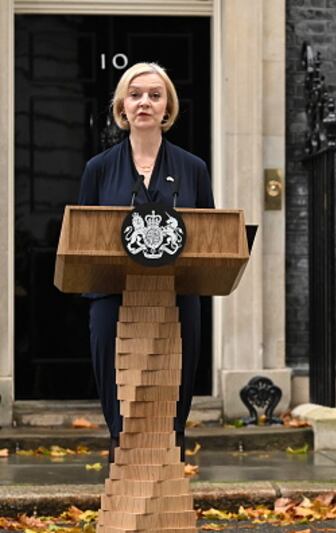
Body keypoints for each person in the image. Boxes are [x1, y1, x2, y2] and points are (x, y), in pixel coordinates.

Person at [78, 62, 214, 462]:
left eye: (155, 95)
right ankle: (122, 455)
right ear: (122, 105)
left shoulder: (194, 168)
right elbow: (83, 236)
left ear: (167, 106)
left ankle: (169, 457)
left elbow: (211, 236)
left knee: (174, 385)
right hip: (112, 295)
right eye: (135, 94)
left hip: (178, 294)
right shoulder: (98, 169)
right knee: (117, 383)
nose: (144, 103)